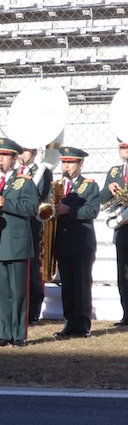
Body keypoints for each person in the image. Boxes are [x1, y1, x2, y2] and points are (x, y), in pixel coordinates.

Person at [0, 139, 39, 348]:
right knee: (2, 293)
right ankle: (4, 333)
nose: (0, 160)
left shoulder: (25, 181)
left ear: (14, 159)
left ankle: (19, 334)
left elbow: (32, 208)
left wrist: (7, 203)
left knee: (19, 292)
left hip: (18, 244)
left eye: (5, 156)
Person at [53, 146, 100, 340]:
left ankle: (82, 325)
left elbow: (92, 211)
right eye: (64, 162)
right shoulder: (56, 185)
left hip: (81, 242)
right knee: (67, 285)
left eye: (70, 162)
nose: (66, 166)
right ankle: (69, 324)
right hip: (63, 241)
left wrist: (68, 210)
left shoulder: (89, 186)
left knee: (81, 285)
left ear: (80, 164)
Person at [17, 146, 53, 325]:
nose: (21, 155)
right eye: (20, 151)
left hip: (33, 225)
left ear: (34, 153)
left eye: (25, 151)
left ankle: (33, 312)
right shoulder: (13, 172)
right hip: (15, 226)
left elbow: (41, 196)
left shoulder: (43, 172)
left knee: (33, 269)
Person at [99, 138, 128, 327]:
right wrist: (109, 189)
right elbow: (102, 199)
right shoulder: (115, 172)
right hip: (122, 228)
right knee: (123, 273)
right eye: (122, 147)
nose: (124, 150)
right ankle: (127, 314)